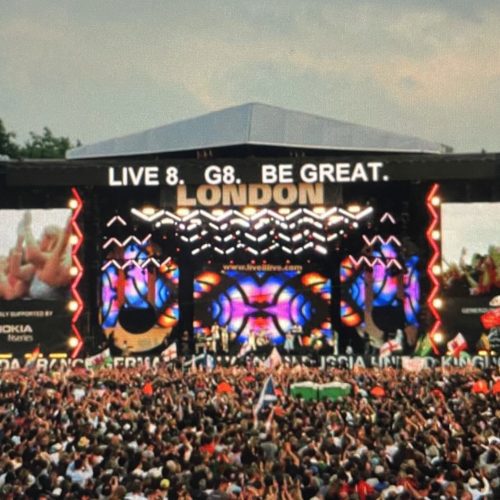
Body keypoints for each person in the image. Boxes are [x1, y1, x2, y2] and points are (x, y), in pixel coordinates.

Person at [14, 210, 72, 300]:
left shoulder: (57, 257)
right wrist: (19, 240)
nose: (40, 240)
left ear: (51, 239)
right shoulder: (37, 266)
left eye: (42, 236)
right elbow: (16, 272)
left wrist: (27, 228)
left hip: (57, 311)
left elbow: (32, 255)